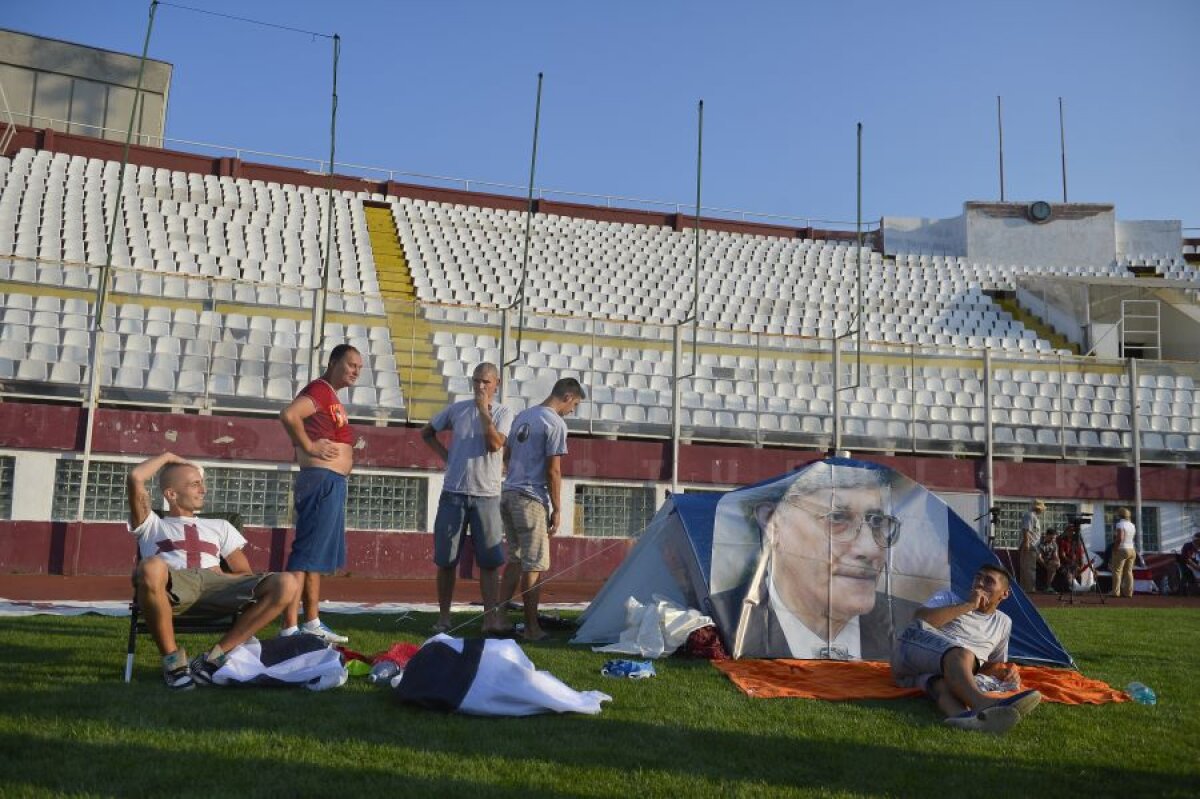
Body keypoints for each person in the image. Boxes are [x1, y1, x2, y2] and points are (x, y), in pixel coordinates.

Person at [127, 452, 298, 689]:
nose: (203, 490)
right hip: (174, 585)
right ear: (171, 494)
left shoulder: (220, 526)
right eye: (195, 484)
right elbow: (136, 477)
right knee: (151, 566)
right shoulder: (152, 524)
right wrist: (167, 457)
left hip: (216, 584)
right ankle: (174, 663)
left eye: (202, 483)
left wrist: (221, 576)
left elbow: (244, 574)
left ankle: (212, 660)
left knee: (287, 582)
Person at [726, 464, 908, 660]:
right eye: (837, 518)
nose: (870, 549)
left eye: (877, 522)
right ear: (773, 523)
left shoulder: (912, 623)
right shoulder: (724, 619)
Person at [277, 343, 362, 644]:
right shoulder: (320, 390)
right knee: (304, 554)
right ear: (333, 361)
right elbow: (289, 415)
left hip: (330, 481)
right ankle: (289, 625)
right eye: (351, 364)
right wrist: (311, 447)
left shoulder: (331, 397)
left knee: (313, 555)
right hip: (320, 480)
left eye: (359, 368)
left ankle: (311, 620)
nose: (356, 371)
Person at [891, 564, 1041, 733]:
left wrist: (1004, 672)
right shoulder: (949, 598)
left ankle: (966, 719)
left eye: (989, 581)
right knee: (961, 653)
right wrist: (969, 605)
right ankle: (983, 703)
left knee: (943, 684)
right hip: (910, 651)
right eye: (978, 577)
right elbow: (921, 620)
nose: (980, 583)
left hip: (923, 675)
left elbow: (986, 665)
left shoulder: (1003, 622)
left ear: (1004, 594)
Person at [421, 363, 514, 635]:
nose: (480, 387)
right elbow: (427, 432)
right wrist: (447, 456)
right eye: (476, 381)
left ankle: (489, 619)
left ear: (496, 384)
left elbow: (495, 444)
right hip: (454, 494)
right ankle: (444, 617)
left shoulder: (504, 412)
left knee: (489, 562)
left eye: (485, 382)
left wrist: (484, 412)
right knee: (446, 559)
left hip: (487, 496)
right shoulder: (457, 409)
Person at [498, 377, 586, 641]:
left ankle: (497, 619)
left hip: (509, 493)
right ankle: (531, 627)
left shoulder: (524, 415)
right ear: (568, 396)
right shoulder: (555, 422)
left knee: (514, 559)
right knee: (533, 564)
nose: (573, 410)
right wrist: (557, 508)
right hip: (531, 498)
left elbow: (507, 456)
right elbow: (553, 470)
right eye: (575, 404)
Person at [1110, 507, 1137, 598]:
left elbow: (1120, 538)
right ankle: (1129, 593)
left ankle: (1116, 592)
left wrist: (1115, 548)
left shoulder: (1120, 524)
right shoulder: (1132, 525)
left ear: (1120, 515)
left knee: (1117, 571)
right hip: (1132, 550)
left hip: (1122, 549)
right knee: (1129, 572)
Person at [1018, 500, 1045, 593]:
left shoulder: (1034, 517)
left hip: (1033, 545)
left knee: (1028, 567)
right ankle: (1029, 589)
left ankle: (1026, 588)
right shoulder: (1029, 515)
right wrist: (1026, 543)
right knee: (1028, 568)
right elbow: (1026, 530)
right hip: (1029, 545)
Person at [1034, 528, 1060, 592]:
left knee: (1054, 565)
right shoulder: (1039, 543)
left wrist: (1058, 562)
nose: (1052, 540)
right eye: (1051, 538)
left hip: (1050, 562)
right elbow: (1039, 558)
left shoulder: (1054, 544)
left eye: (1054, 538)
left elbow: (1055, 556)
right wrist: (1046, 566)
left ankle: (1048, 586)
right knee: (1052, 567)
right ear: (1047, 535)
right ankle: (1048, 586)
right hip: (1040, 562)